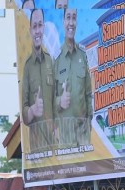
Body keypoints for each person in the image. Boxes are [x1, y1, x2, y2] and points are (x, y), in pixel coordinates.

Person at [54, 7, 93, 148]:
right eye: (68, 18)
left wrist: (90, 120)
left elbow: (88, 93)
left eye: (74, 18)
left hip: (83, 136)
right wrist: (59, 101)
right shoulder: (56, 59)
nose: (71, 22)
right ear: (63, 21)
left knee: (88, 170)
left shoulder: (83, 55)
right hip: (65, 138)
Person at [21, 9, 55, 153]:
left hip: (56, 147)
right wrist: (32, 111)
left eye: (39, 25)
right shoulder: (27, 67)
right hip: (37, 152)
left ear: (44, 28)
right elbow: (24, 112)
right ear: (30, 31)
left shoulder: (51, 61)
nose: (37, 31)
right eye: (34, 26)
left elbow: (57, 100)